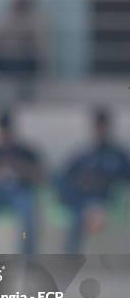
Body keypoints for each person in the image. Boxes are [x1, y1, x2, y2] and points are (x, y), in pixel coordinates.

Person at [56, 108, 130, 253]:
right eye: (98, 126)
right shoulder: (83, 155)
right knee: (78, 216)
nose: (100, 130)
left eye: (103, 126)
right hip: (81, 201)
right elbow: (62, 178)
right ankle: (69, 263)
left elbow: (126, 180)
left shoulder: (118, 155)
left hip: (108, 202)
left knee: (94, 212)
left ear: (108, 128)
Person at [0, 110, 43, 254]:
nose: (5, 135)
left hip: (20, 193)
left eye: (7, 131)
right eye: (2, 132)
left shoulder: (25, 152)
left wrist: (18, 165)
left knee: (28, 209)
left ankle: (27, 257)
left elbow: (40, 177)